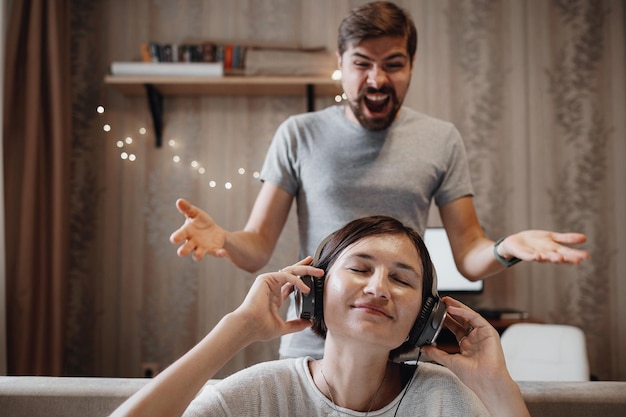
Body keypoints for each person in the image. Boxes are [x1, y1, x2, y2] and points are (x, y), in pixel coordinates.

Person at [169, 1, 589, 359]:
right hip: (312, 343)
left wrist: (506, 247)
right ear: (341, 64)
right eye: (362, 64)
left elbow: (469, 255)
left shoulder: (441, 139)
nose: (377, 79)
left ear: (411, 64)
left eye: (393, 64)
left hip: (399, 340)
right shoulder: (298, 134)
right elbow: (256, 248)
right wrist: (224, 239)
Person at [113, 216, 531, 417]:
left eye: (402, 279)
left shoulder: (444, 399)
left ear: (425, 317)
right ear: (313, 290)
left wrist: (496, 386)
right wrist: (236, 329)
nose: (378, 288)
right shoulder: (259, 396)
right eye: (360, 268)